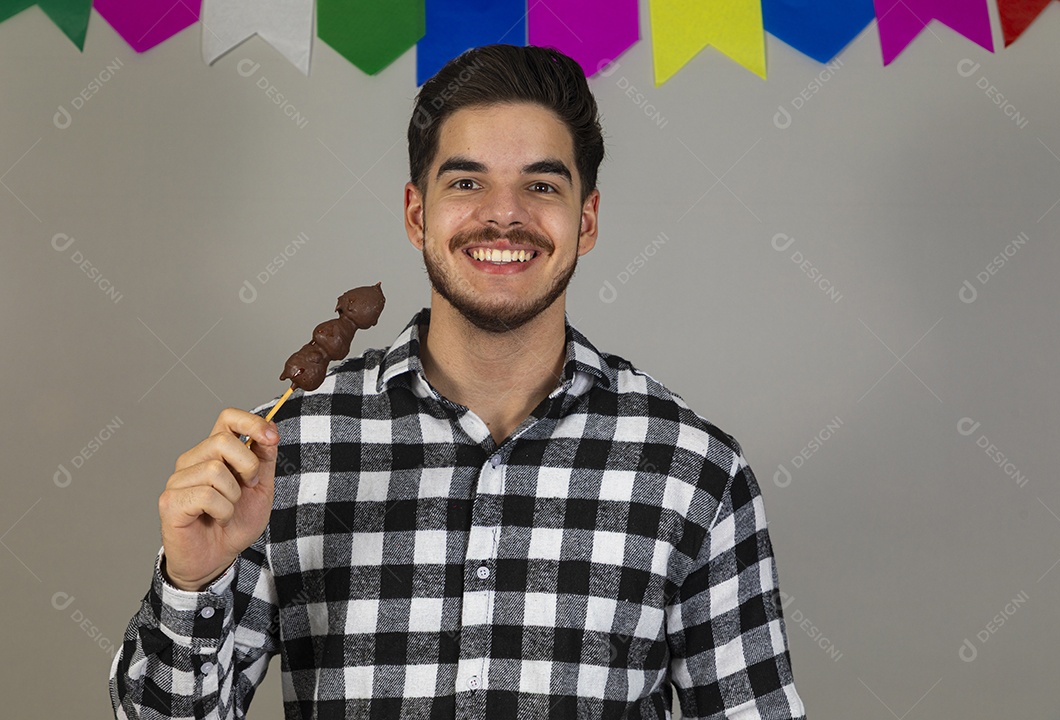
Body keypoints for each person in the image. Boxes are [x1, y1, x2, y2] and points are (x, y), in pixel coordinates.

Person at [110, 44, 806, 719]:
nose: (503, 214)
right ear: (418, 214)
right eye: (467, 182)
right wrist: (191, 582)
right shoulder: (281, 448)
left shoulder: (692, 470)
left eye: (541, 184)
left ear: (585, 220)